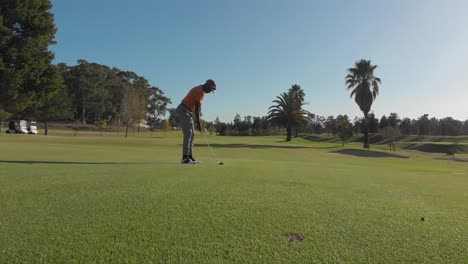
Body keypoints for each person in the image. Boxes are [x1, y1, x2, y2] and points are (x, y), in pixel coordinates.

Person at [176, 79, 216, 164]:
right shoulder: (199, 91)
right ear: (207, 85)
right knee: (188, 133)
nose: (210, 92)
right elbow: (197, 109)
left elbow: (198, 108)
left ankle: (190, 157)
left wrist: (198, 121)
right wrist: (198, 124)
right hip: (183, 109)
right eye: (211, 89)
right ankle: (184, 158)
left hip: (188, 111)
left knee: (192, 134)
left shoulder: (202, 92)